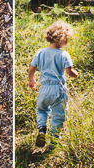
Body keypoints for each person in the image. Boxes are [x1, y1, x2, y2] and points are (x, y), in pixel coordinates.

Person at [28, 20, 78, 148]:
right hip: (59, 90)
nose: (67, 43)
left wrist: (32, 80)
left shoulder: (40, 53)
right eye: (67, 40)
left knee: (41, 110)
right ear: (61, 39)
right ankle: (54, 139)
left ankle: (42, 129)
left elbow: (31, 69)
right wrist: (75, 74)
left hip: (44, 89)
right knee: (59, 114)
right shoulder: (64, 54)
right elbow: (69, 72)